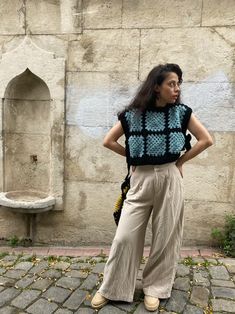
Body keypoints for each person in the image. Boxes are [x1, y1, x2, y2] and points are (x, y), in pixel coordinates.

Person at [91, 63, 213, 311]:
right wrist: (133, 156)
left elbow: (206, 140)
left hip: (170, 178)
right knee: (125, 237)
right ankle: (112, 287)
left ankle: (155, 288)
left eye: (179, 83)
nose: (176, 88)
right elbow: (108, 141)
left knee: (165, 236)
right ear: (156, 87)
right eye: (171, 83)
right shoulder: (133, 114)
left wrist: (180, 162)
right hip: (141, 180)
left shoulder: (181, 113)